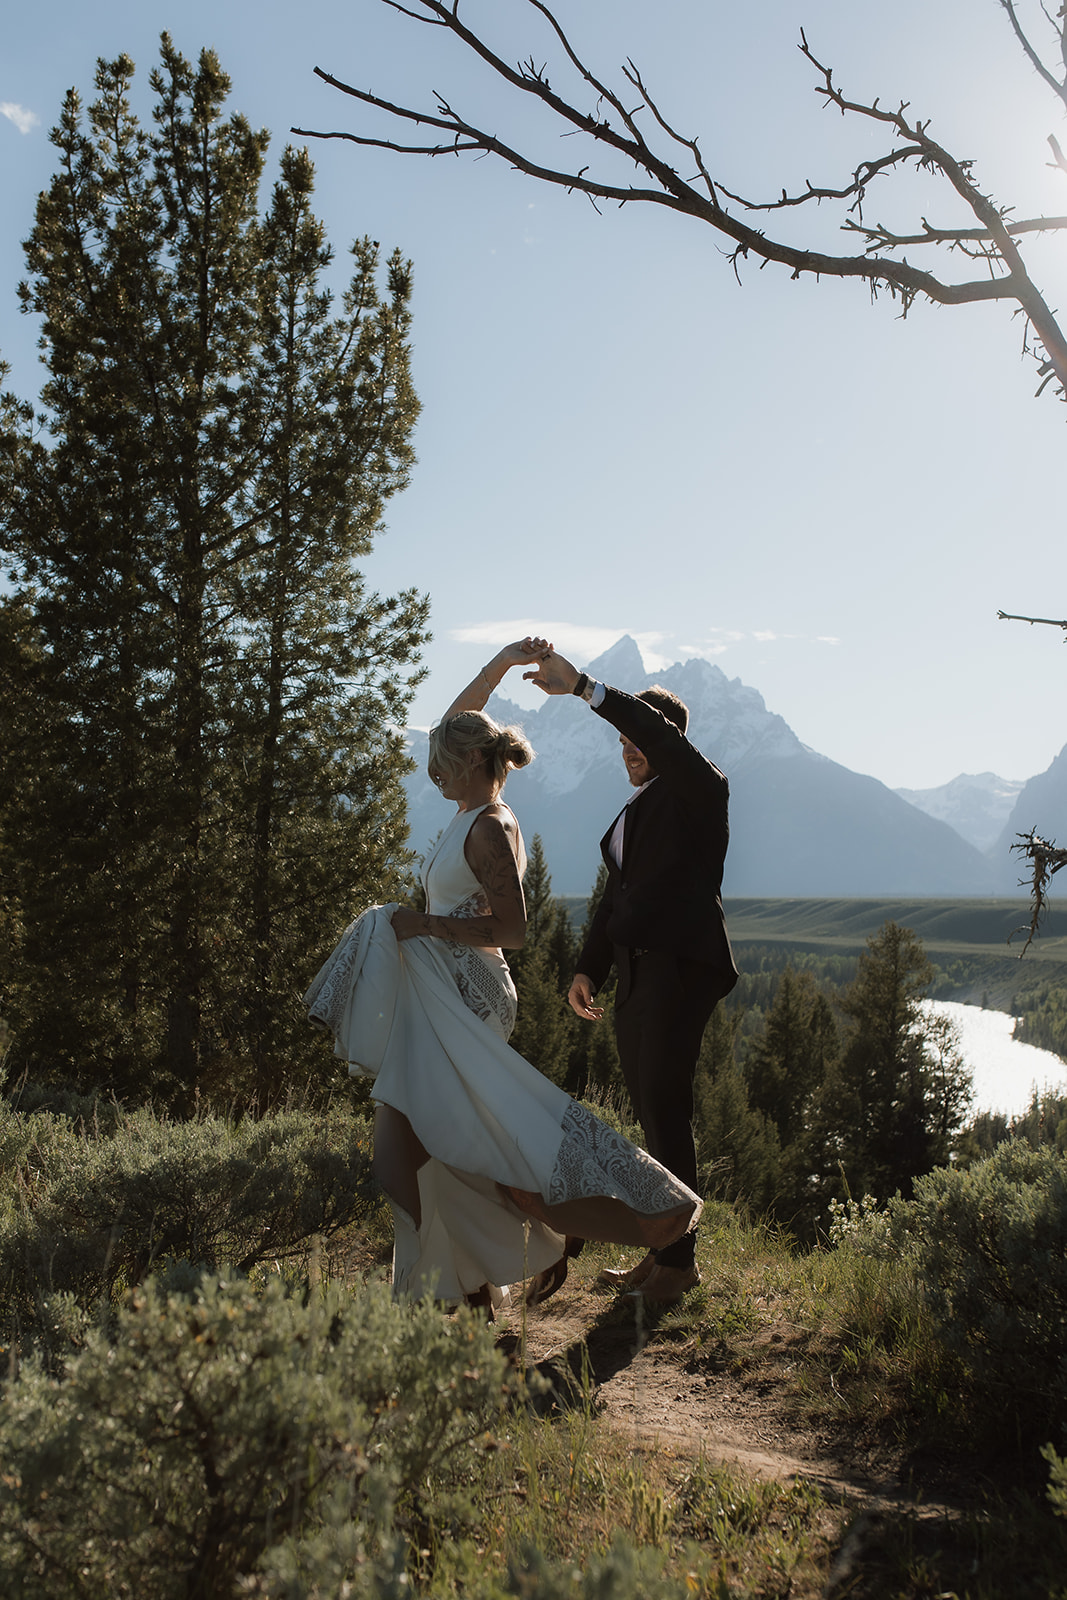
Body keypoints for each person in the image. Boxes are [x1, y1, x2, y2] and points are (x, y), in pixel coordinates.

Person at [305, 637, 703, 1316]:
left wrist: (417, 925)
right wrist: (502, 661)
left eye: (440, 766)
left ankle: (534, 1236)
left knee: (441, 1152)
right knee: (428, 1157)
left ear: (467, 764)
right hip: (438, 996)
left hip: (468, 995)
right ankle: (461, 1290)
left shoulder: (488, 826)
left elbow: (512, 931)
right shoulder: (467, 805)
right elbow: (457, 722)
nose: (431, 775)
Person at [522, 648, 739, 1304]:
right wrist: (587, 969)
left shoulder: (700, 791)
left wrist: (588, 689)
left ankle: (680, 1264)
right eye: (620, 742)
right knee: (651, 1113)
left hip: (677, 971)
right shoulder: (630, 817)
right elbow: (613, 903)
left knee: (665, 1110)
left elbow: (661, 742)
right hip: (634, 976)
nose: (627, 750)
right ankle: (664, 1250)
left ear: (666, 740)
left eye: (637, 738)